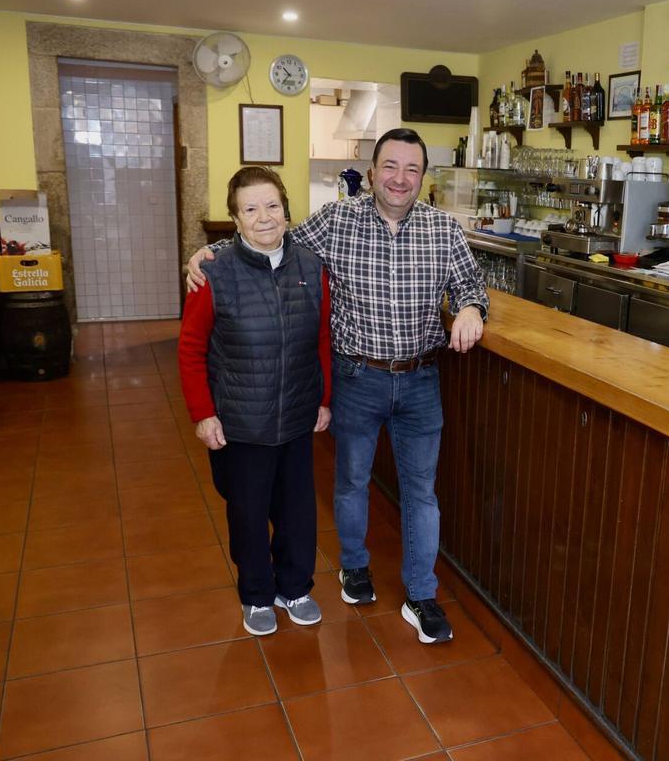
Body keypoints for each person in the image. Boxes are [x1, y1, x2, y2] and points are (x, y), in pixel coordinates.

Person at [187, 128, 488, 644]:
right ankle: (354, 568)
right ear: (371, 173)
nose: (400, 178)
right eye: (390, 167)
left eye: (411, 169)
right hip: (357, 376)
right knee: (351, 482)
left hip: (420, 379)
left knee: (421, 492)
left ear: (423, 177)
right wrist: (208, 254)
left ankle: (421, 595)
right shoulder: (337, 220)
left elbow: (471, 283)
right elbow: (267, 239)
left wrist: (469, 308)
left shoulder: (445, 229)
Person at [178, 166, 332, 637]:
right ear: (235, 219)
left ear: (286, 208)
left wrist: (323, 400)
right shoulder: (214, 274)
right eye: (250, 209)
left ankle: (295, 587)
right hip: (241, 421)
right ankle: (257, 594)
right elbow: (190, 349)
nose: (264, 217)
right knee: (247, 513)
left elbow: (322, 338)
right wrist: (203, 414)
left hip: (297, 416)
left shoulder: (311, 265)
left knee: (297, 511)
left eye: (272, 205)